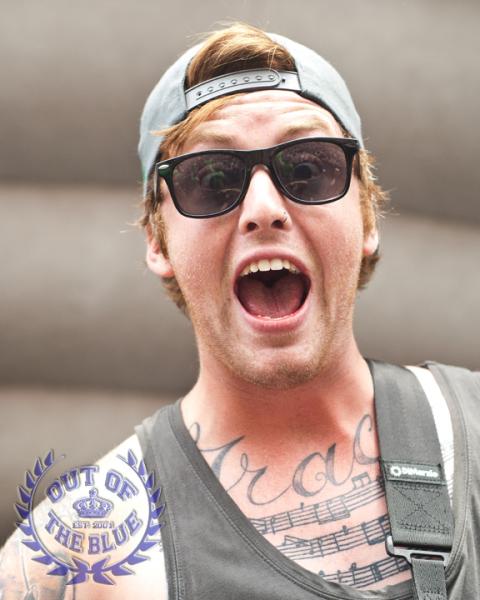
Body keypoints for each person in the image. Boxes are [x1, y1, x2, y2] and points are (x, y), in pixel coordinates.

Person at [1, 21, 479, 600]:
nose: (263, 209)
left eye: (308, 169)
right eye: (211, 179)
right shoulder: (76, 559)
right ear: (158, 241)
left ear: (368, 218)